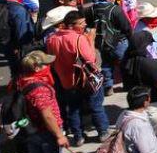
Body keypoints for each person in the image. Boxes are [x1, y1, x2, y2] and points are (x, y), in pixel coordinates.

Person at [13, 51, 82, 153]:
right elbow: (47, 115)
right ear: (37, 68)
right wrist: (59, 135)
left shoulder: (22, 81)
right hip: (46, 131)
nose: (49, 66)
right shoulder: (39, 89)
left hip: (30, 130)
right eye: (46, 64)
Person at [44, 9, 109, 145]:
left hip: (65, 81)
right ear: (70, 25)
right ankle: (103, 132)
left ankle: (78, 137)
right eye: (81, 23)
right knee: (95, 106)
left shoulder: (51, 40)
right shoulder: (78, 38)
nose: (84, 25)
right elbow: (91, 59)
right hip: (85, 81)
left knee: (73, 109)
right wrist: (90, 40)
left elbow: (51, 59)